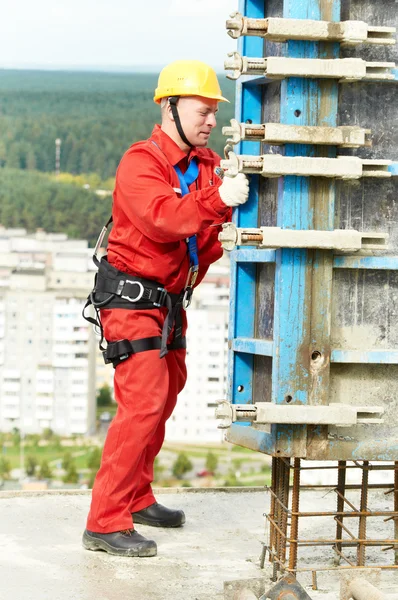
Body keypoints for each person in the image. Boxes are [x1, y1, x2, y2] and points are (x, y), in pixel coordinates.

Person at [82, 60, 249, 558]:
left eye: (215, 114)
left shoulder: (204, 165)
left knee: (167, 394)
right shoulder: (142, 162)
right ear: (169, 107)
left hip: (169, 303)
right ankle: (104, 520)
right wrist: (218, 199)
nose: (210, 121)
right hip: (131, 300)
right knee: (143, 403)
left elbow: (204, 232)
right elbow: (161, 219)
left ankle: (136, 496)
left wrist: (228, 197)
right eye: (203, 111)